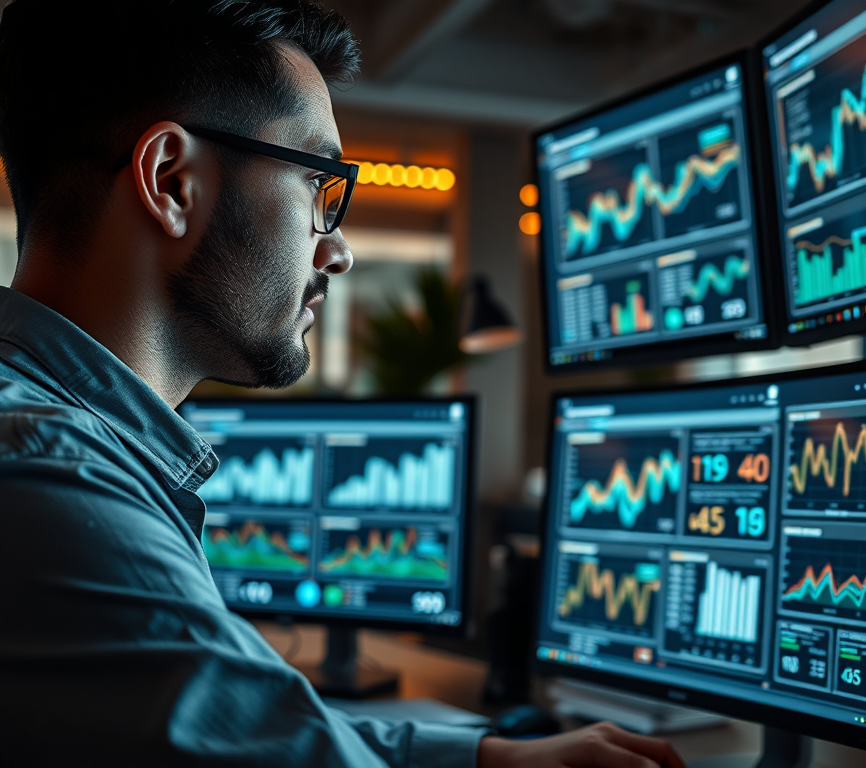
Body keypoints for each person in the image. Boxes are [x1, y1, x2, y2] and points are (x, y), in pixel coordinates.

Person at [0, 1, 687, 766]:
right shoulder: (50, 471)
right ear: (172, 182)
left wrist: (491, 759)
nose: (340, 252)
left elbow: (260, 733)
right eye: (319, 184)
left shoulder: (60, 442)